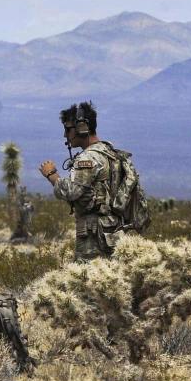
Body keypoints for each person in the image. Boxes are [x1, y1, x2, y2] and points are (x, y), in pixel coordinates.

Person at [39, 101, 123, 261]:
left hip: (94, 234)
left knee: (87, 278)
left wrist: (51, 174)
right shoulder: (109, 152)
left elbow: (71, 191)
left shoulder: (88, 158)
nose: (65, 135)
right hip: (112, 230)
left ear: (82, 127)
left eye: (68, 129)